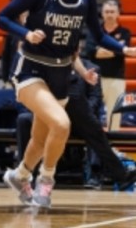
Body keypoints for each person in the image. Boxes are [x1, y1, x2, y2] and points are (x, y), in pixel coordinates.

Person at [0, 0, 136, 208]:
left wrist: (123, 49)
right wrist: (25, 34)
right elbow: (1, 18)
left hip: (60, 73)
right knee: (61, 124)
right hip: (30, 70)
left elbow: (99, 35)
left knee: (40, 138)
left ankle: (20, 174)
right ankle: (46, 182)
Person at [16, 56, 136, 191]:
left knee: (95, 130)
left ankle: (96, 176)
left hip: (77, 116)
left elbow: (95, 98)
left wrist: (82, 114)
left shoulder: (91, 67)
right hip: (57, 111)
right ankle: (27, 175)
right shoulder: (48, 63)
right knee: (25, 121)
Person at [85, 0, 131, 131]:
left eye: (112, 12)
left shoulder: (124, 32)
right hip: (95, 78)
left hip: (116, 79)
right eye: (107, 12)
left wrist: (100, 50)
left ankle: (113, 148)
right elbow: (90, 52)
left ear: (118, 13)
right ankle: (93, 146)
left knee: (115, 115)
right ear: (102, 14)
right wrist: (113, 50)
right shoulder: (94, 31)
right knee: (91, 112)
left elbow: (120, 53)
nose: (109, 14)